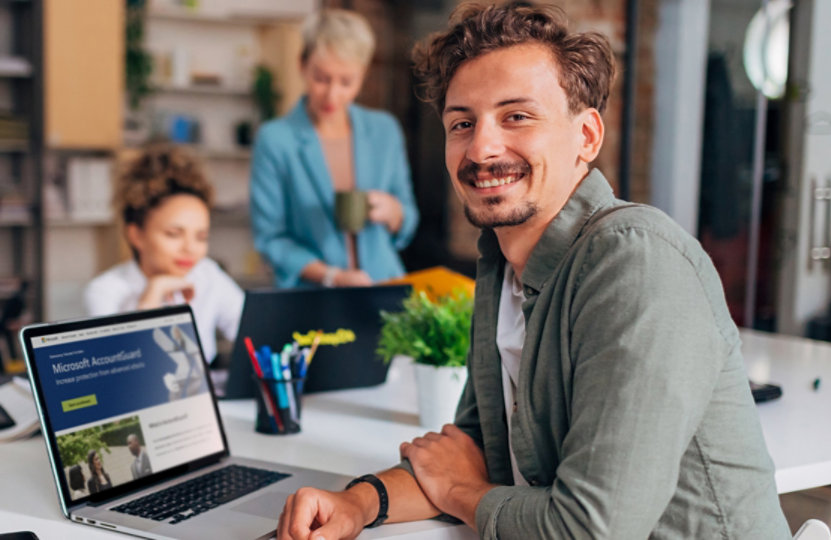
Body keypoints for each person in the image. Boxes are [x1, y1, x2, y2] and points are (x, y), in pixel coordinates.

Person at [277, 4, 791, 540]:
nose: (481, 148)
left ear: (586, 137)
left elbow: (591, 531)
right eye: (462, 123)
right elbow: (468, 453)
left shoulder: (636, 262)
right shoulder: (502, 268)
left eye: (516, 116)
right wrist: (356, 504)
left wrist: (463, 494)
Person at [250, 8, 419, 289]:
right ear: (302, 65)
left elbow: (409, 218)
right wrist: (332, 277)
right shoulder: (275, 139)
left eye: (346, 81)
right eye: (321, 78)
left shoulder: (384, 130)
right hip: (313, 296)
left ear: (362, 75)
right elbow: (271, 239)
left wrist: (395, 212)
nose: (332, 94)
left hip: (383, 286)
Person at [83, 144, 244, 364]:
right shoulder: (104, 291)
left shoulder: (207, 274)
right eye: (173, 234)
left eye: (201, 237)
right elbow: (125, 370)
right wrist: (152, 294)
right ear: (136, 235)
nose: (189, 248)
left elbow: (251, 332)